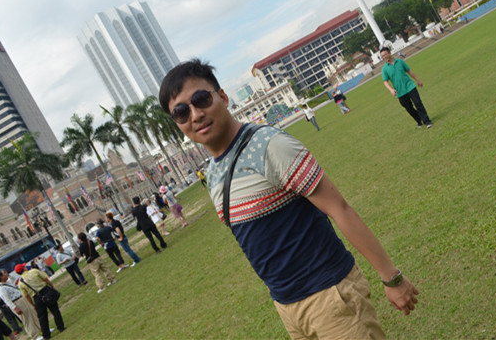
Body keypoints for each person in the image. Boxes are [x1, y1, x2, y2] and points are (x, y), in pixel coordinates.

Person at [158, 59, 419, 339]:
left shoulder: (269, 145)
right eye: (181, 112)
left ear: (222, 97)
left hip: (330, 295)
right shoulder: (213, 172)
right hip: (287, 306)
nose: (196, 115)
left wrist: (391, 277)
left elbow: (339, 209)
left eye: (201, 99)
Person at [380, 46, 432, 128]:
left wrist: (417, 80)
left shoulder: (400, 61)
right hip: (400, 92)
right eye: (382, 56)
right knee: (409, 108)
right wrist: (391, 90)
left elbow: (409, 71)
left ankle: (427, 121)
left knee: (418, 104)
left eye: (385, 54)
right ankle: (419, 120)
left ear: (390, 53)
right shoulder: (384, 69)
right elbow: (385, 81)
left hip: (410, 86)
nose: (384, 57)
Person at [15, 264, 64, 340]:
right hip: (45, 291)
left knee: (42, 317)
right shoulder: (34, 271)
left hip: (36, 297)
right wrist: (52, 286)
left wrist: (32, 305)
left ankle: (46, 335)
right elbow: (46, 279)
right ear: (24, 268)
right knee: (55, 310)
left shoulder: (20, 283)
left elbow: (26, 296)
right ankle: (60, 327)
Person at [0, 269, 42, 340]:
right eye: (4, 273)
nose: (6, 274)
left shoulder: (7, 283)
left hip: (22, 298)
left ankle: (43, 329)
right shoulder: (0, 288)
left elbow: (14, 279)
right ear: (1, 277)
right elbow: (6, 300)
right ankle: (34, 336)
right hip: (16, 302)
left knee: (33, 314)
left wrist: (8, 275)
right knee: (27, 319)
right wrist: (15, 308)